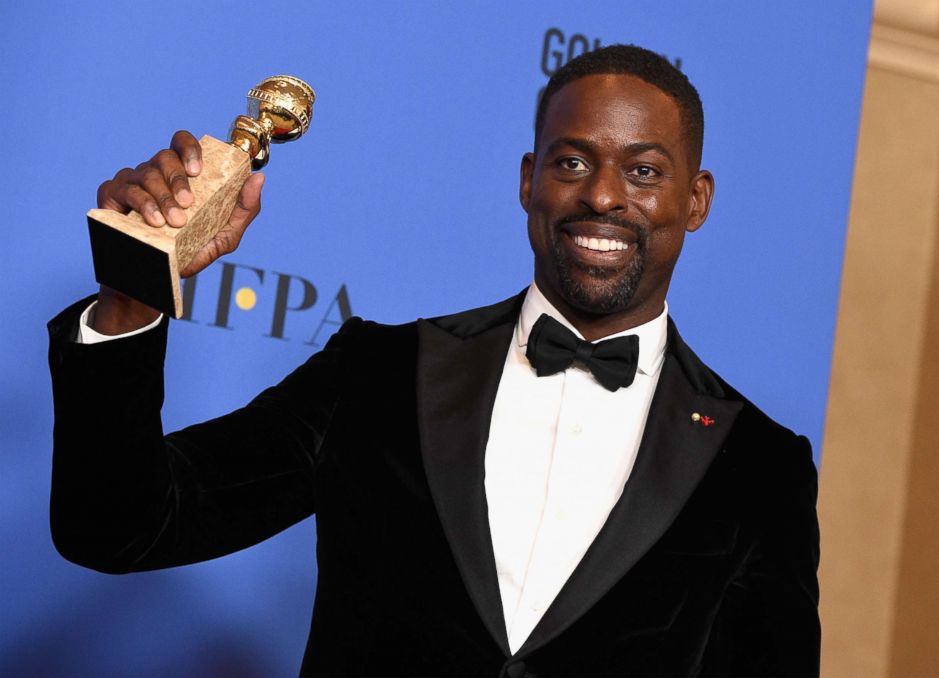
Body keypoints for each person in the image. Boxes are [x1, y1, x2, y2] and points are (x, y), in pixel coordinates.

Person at [48, 45, 820, 677]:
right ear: (529, 181)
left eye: (645, 171)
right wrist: (132, 295)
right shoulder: (379, 374)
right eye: (573, 163)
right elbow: (122, 527)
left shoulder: (760, 466)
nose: (605, 197)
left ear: (696, 200)